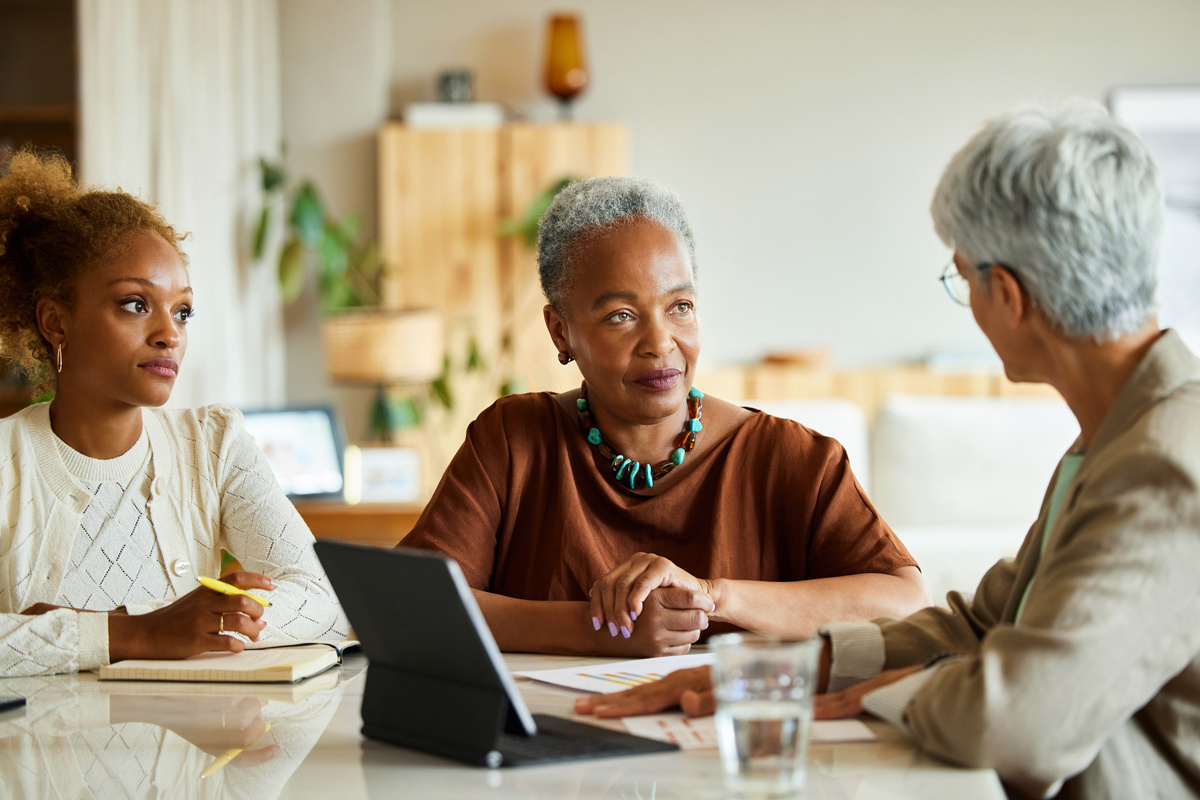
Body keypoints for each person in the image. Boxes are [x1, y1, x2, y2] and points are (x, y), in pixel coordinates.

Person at [575, 104, 1200, 799]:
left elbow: (1021, 724)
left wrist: (896, 692)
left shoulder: (1168, 463)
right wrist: (797, 666)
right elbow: (985, 623)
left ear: (1010, 296)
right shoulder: (1121, 433)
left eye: (961, 278)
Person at [403, 176, 929, 658]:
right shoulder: (514, 439)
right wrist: (597, 629)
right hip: (547, 745)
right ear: (560, 332)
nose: (660, 344)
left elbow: (904, 602)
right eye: (621, 316)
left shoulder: (791, 458)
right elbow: (410, 600)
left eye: (680, 306)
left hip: (723, 750)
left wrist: (709, 596)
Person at [0, 151, 349, 678]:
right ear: (56, 321)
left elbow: (325, 601)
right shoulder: (6, 460)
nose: (170, 333)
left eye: (182, 310)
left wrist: (106, 629)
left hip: (192, 755)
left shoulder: (213, 444)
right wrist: (144, 632)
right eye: (136, 304)